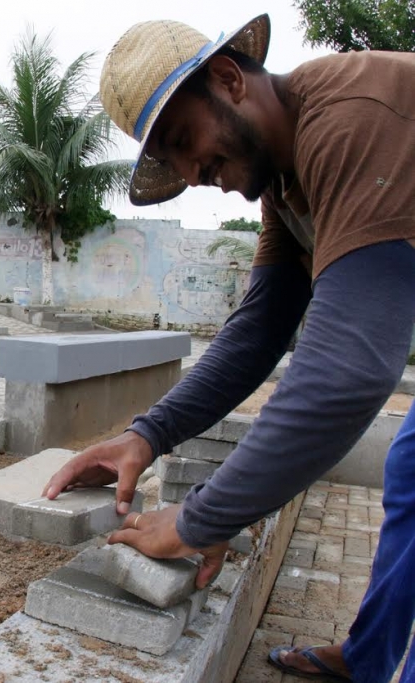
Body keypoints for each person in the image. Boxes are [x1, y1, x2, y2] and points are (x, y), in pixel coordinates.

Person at [42, 14, 415, 683]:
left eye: (186, 140)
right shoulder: (285, 177)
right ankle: (369, 659)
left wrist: (196, 518)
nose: (193, 171)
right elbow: (258, 331)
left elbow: (346, 373)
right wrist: (145, 437)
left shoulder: (349, 121)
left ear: (228, 78)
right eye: (173, 162)